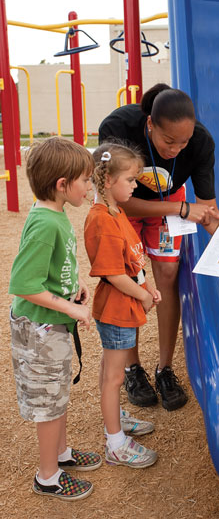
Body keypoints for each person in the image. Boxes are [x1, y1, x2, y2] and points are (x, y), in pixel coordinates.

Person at [99, 84, 219, 412]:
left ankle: (164, 368)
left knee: (167, 271)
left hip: (169, 204)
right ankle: (133, 368)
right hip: (123, 205)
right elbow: (120, 201)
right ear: (150, 125)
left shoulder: (202, 143)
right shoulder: (117, 130)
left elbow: (208, 214)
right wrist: (179, 210)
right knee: (129, 277)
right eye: (168, 141)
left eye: (184, 141)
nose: (177, 148)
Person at [8, 137, 101, 501]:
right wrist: (72, 308)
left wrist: (72, 286)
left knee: (58, 395)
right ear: (62, 185)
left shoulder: (54, 214)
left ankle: (61, 456)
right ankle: (47, 476)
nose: (89, 187)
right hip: (41, 329)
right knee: (48, 404)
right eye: (85, 181)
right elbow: (23, 284)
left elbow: (52, 269)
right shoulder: (46, 223)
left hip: (53, 324)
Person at [84, 142, 161, 469]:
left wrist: (147, 287)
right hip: (118, 308)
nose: (135, 185)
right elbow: (113, 273)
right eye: (130, 179)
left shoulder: (117, 213)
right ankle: (115, 443)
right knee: (114, 377)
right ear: (107, 181)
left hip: (123, 307)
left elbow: (131, 259)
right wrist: (143, 295)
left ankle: (113, 417)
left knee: (110, 369)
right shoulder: (102, 219)